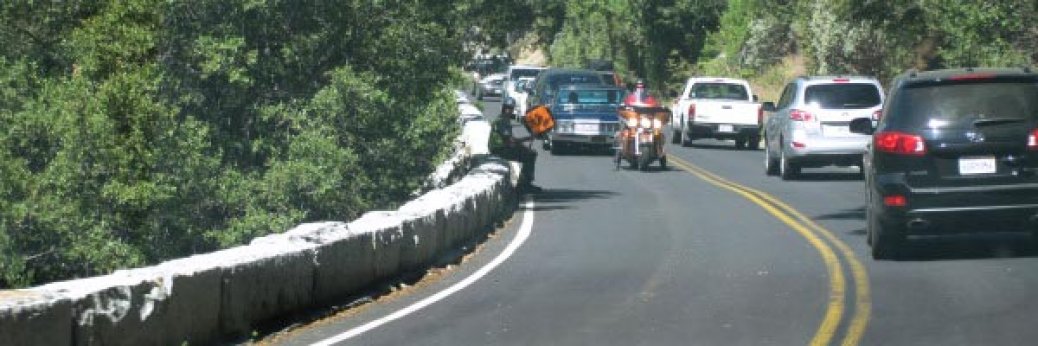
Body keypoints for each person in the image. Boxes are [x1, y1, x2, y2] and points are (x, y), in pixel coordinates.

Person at [489, 115, 541, 194]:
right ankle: (524, 185)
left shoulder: (501, 119)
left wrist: (524, 147)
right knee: (530, 156)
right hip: (499, 150)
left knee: (529, 152)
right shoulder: (502, 122)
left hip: (501, 148)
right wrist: (528, 138)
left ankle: (524, 183)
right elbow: (511, 141)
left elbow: (511, 142)